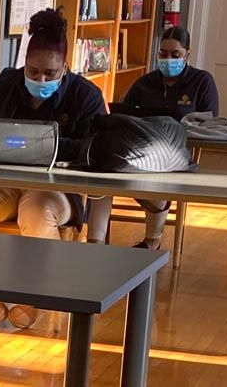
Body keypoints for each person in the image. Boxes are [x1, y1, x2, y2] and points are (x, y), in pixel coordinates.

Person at [0, 8, 106, 329]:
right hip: (8, 180)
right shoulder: (3, 86)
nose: (40, 80)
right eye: (32, 72)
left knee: (35, 211)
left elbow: (94, 147)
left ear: (66, 68)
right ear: (24, 64)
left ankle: (33, 298)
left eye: (50, 73)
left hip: (57, 189)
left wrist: (48, 146)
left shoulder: (86, 96)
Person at [86, 26, 219, 249]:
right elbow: (123, 115)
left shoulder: (202, 81)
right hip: (138, 151)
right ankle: (94, 243)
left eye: (175, 55)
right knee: (102, 175)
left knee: (159, 181)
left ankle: (151, 241)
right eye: (163, 54)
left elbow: (210, 121)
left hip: (173, 156)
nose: (168, 59)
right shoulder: (144, 82)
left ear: (187, 54)